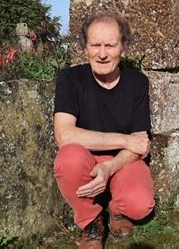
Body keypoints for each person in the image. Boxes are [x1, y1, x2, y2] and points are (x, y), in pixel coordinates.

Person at [53, 13, 155, 248]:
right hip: (85, 158)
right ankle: (91, 220)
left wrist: (108, 168)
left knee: (140, 206)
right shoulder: (70, 79)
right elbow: (64, 136)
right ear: (85, 47)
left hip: (123, 160)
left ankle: (117, 211)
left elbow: (141, 145)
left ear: (123, 47)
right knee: (68, 158)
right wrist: (124, 139)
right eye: (95, 45)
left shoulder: (137, 82)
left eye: (110, 45)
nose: (102, 54)